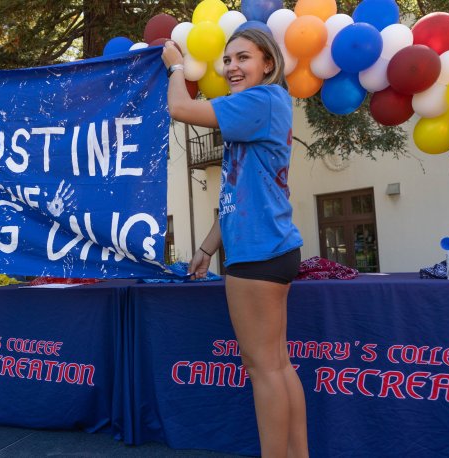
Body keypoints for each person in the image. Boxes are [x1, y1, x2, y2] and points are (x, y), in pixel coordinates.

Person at [162, 29, 308, 457]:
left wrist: (175, 67)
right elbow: (235, 195)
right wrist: (207, 249)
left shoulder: (260, 100)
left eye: (242, 58)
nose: (231, 68)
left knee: (263, 369)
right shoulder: (264, 105)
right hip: (271, 247)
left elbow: (179, 107)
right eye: (226, 60)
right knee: (277, 366)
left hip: (259, 253)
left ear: (268, 63)